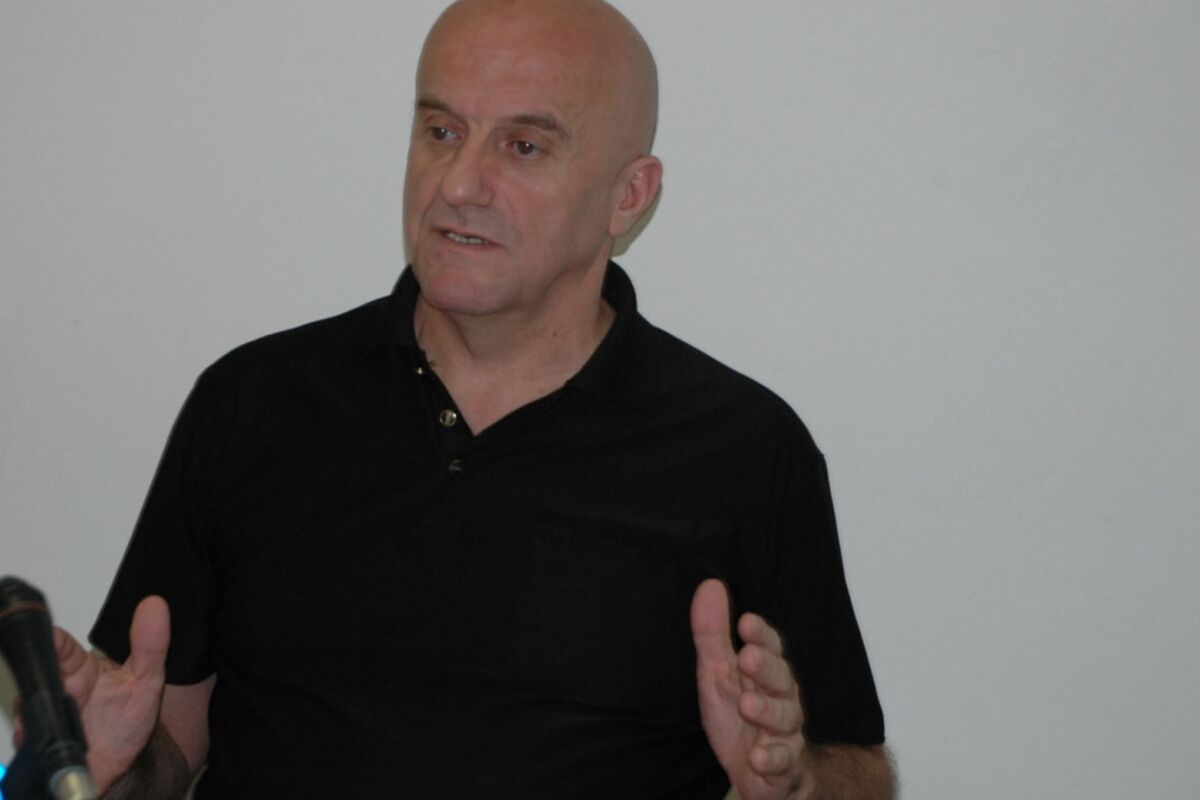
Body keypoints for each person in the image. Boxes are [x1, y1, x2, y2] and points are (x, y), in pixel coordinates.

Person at [45, 1, 894, 797]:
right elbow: (165, 742)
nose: (459, 183)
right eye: (441, 131)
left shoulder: (743, 449)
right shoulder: (253, 402)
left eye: (523, 146)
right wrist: (101, 765)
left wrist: (795, 781)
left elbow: (857, 764)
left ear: (628, 196)